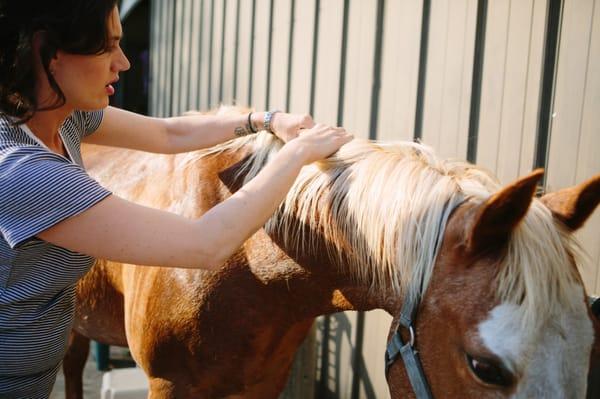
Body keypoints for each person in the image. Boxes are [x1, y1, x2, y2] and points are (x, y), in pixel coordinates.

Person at [0, 1, 352, 397]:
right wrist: (298, 154)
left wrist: (267, 121)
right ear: (47, 52)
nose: (124, 62)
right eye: (108, 46)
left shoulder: (56, 117)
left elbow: (170, 134)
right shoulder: (25, 173)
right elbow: (206, 243)